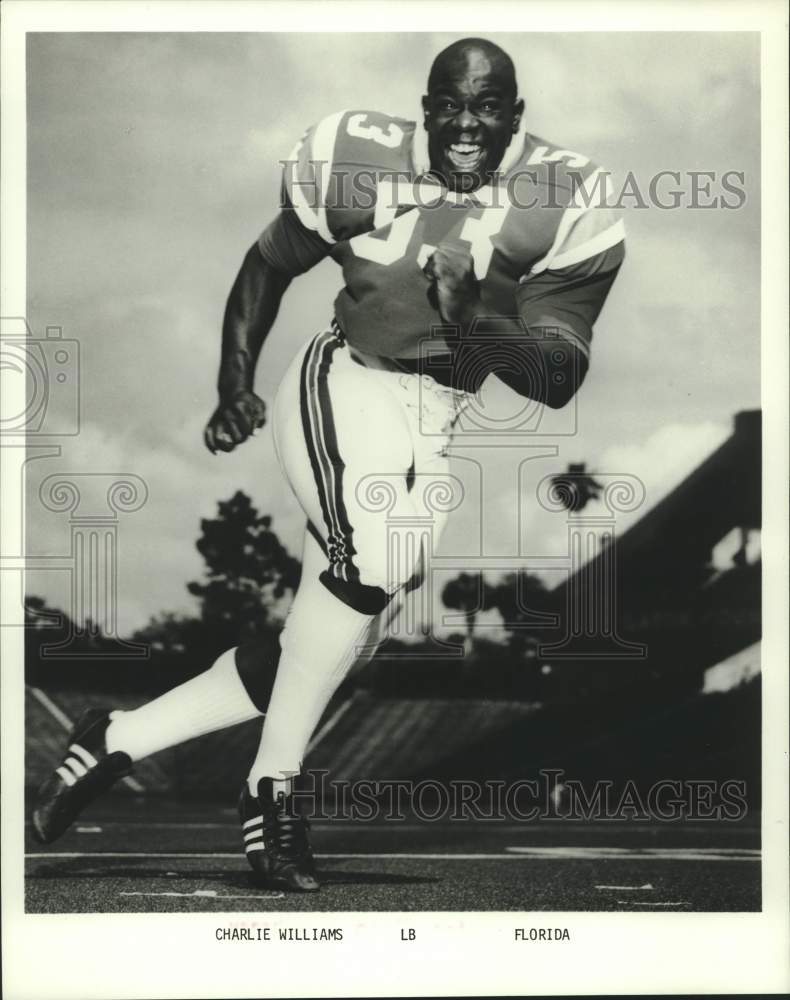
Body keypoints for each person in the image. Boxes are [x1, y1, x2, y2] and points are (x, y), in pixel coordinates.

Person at [32, 37, 625, 892]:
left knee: (338, 637)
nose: (466, 125)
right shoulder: (358, 158)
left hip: (437, 420)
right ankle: (271, 793)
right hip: (343, 379)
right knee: (374, 564)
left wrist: (479, 322)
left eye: (488, 107)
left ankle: (115, 739)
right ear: (426, 109)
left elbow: (558, 380)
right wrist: (234, 386)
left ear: (517, 116)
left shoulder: (566, 198)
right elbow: (268, 263)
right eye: (450, 105)